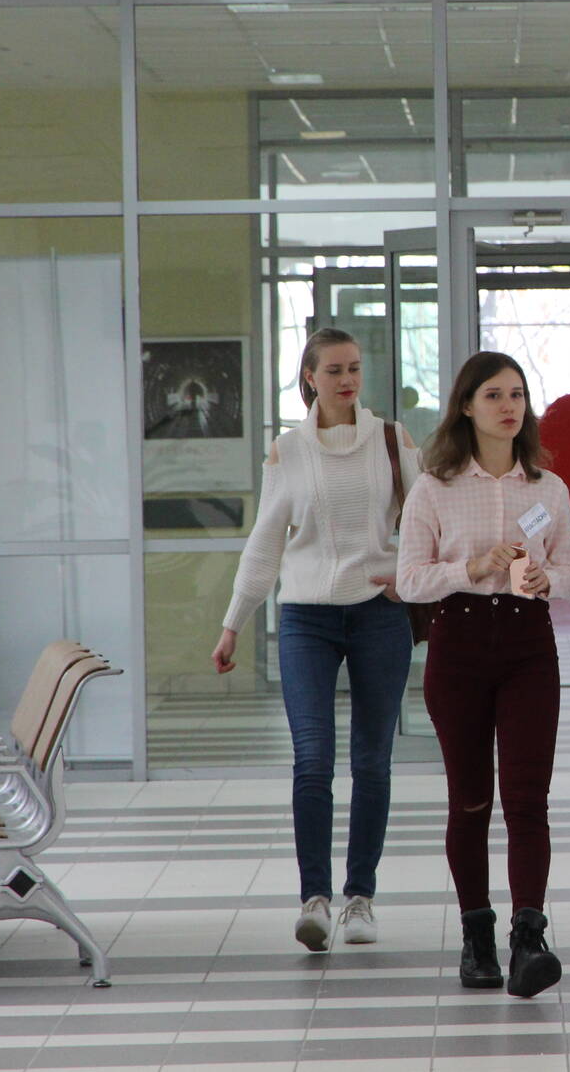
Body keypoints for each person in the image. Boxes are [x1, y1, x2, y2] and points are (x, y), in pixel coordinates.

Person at [211, 328, 418, 953]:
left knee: (372, 760)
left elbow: (426, 520)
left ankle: (360, 899)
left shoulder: (392, 440)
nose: (347, 379)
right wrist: (233, 623)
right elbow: (265, 542)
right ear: (309, 378)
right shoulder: (289, 451)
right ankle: (315, 900)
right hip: (306, 619)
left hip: (379, 615)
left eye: (354, 368)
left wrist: (405, 577)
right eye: (333, 370)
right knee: (313, 760)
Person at [397, 351, 570, 997]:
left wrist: (546, 579)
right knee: (471, 800)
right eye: (494, 395)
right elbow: (409, 579)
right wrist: (471, 568)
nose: (509, 406)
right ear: (467, 407)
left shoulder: (548, 487)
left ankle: (529, 937)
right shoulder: (434, 487)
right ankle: (477, 934)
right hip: (461, 645)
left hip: (529, 645)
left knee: (528, 798)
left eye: (518, 394)